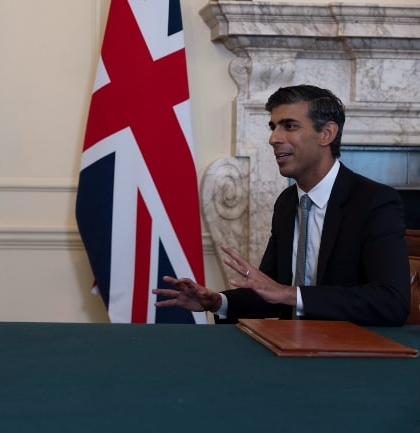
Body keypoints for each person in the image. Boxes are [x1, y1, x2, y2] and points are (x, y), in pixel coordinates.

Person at [153, 84, 410, 327]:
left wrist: (289, 294)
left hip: (349, 355)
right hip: (288, 348)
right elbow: (271, 292)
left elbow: (391, 302)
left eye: (289, 126)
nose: (274, 138)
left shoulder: (374, 201)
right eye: (273, 126)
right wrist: (218, 302)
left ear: (326, 134)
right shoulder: (287, 203)